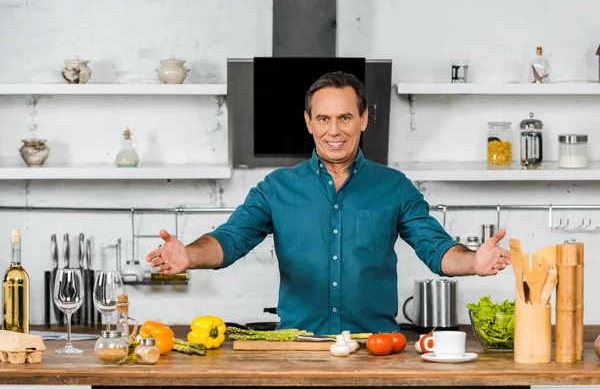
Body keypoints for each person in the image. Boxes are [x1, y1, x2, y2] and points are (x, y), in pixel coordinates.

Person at [146, 71, 512, 335]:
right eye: (323, 119)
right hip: (298, 349)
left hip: (375, 349)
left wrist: (473, 262)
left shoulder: (395, 187)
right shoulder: (276, 188)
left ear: (364, 119)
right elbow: (230, 239)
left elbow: (437, 249)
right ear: (308, 122)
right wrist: (190, 256)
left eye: (345, 118)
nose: (334, 130)